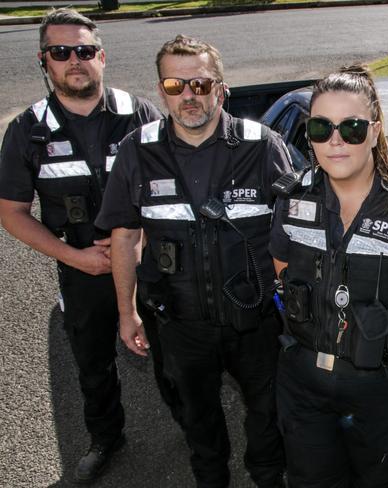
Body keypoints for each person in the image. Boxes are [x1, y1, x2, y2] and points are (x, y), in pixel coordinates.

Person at [95, 35, 290, 488]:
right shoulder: (136, 150)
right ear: (161, 90)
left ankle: (267, 477)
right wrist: (127, 313)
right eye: (175, 84)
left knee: (268, 415)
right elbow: (123, 236)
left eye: (201, 84)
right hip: (181, 326)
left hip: (257, 321)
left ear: (220, 89)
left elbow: (298, 233)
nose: (188, 96)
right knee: (196, 419)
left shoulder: (263, 145)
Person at [269, 65, 388, 488]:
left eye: (351, 128)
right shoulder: (291, 196)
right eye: (321, 127)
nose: (335, 140)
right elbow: (283, 272)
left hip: (387, 388)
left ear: (374, 131)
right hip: (305, 380)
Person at [0, 8, 162, 484]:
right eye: (61, 51)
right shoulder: (27, 130)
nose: (75, 60)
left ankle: (197, 437)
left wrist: (140, 243)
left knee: (175, 357)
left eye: (85, 50)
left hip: (149, 265)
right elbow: (10, 212)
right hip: (81, 269)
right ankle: (106, 439)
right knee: (93, 366)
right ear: (44, 61)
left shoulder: (140, 114)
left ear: (102, 57)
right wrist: (74, 257)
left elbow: (171, 188)